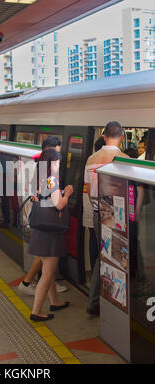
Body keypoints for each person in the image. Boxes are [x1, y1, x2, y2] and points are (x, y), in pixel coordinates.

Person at [85, 121, 129, 316]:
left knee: (102, 257)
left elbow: (87, 190)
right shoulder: (123, 159)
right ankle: (98, 301)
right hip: (115, 217)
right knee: (113, 259)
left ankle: (100, 300)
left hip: (97, 213)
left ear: (104, 136)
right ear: (121, 137)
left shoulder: (90, 159)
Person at [18, 136, 68, 295]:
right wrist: (66, 195)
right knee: (45, 255)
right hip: (44, 219)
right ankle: (27, 283)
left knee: (45, 256)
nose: (59, 161)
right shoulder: (47, 175)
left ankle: (49, 289)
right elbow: (57, 203)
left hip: (37, 216)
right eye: (57, 157)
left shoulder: (38, 167)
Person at [29, 148, 74, 322]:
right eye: (57, 162)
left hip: (40, 228)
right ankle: (36, 311)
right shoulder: (51, 180)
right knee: (47, 273)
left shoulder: (39, 178)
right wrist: (67, 194)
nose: (59, 165)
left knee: (48, 269)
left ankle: (55, 301)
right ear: (52, 163)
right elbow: (59, 205)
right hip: (50, 232)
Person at [83, 136, 106, 275]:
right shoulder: (103, 164)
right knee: (100, 247)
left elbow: (87, 188)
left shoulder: (90, 162)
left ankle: (93, 273)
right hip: (98, 212)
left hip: (89, 212)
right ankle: (98, 274)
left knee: (93, 242)